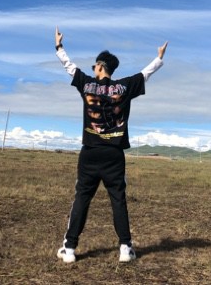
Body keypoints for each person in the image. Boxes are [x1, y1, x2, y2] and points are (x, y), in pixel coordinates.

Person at [55, 26, 168, 263]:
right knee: (118, 200)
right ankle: (125, 248)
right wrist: (158, 58)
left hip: (90, 152)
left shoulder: (86, 84)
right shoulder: (124, 87)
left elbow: (69, 67)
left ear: (100, 66)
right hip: (114, 154)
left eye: (94, 66)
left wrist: (59, 47)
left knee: (82, 198)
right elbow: (145, 74)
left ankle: (70, 249)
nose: (92, 69)